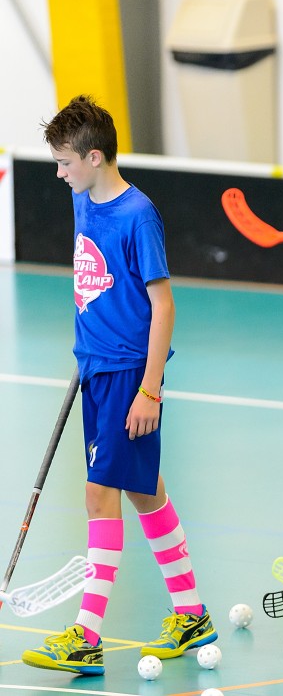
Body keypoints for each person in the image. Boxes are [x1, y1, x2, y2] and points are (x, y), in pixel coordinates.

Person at [23, 96, 216, 675]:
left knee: (98, 493)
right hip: (96, 367)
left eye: (65, 163)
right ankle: (192, 614)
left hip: (130, 372)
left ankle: (86, 635)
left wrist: (150, 389)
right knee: (143, 489)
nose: (59, 174)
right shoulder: (83, 198)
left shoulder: (138, 216)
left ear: (94, 157)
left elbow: (163, 304)